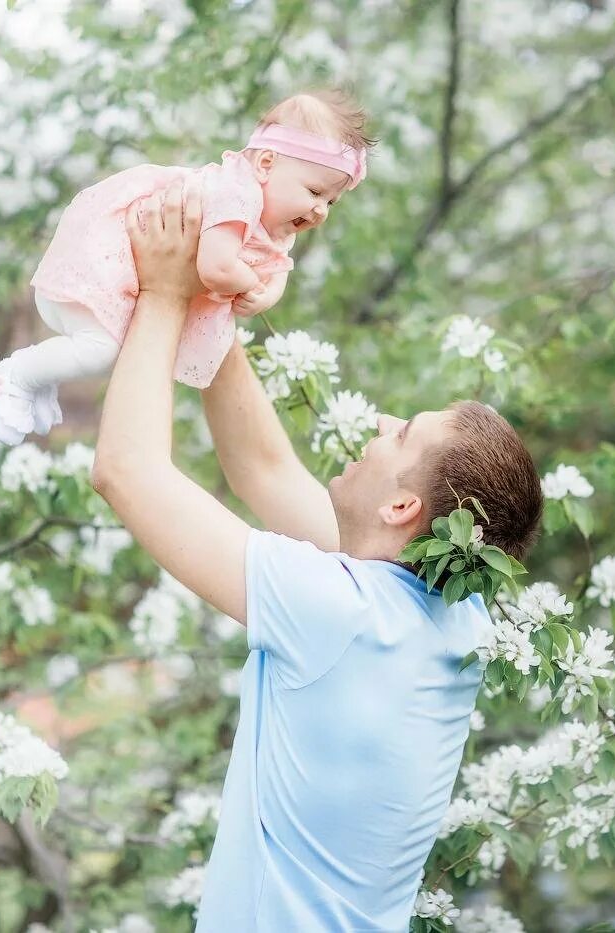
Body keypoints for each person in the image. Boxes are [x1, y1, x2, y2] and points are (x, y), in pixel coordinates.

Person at [89, 179, 544, 930]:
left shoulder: (336, 613)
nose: (386, 420)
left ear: (404, 510)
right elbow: (263, 470)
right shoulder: (442, 615)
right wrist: (214, 304)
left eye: (404, 434)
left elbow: (125, 470)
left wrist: (166, 295)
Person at [0, 89, 373, 446]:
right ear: (265, 163)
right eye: (315, 192)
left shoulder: (276, 223)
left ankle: (42, 379)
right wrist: (249, 281)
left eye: (332, 202)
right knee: (99, 351)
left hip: (123, 285)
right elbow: (216, 268)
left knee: (102, 348)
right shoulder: (237, 193)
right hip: (100, 272)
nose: (320, 210)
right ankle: (17, 376)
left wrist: (266, 293)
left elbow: (279, 267)